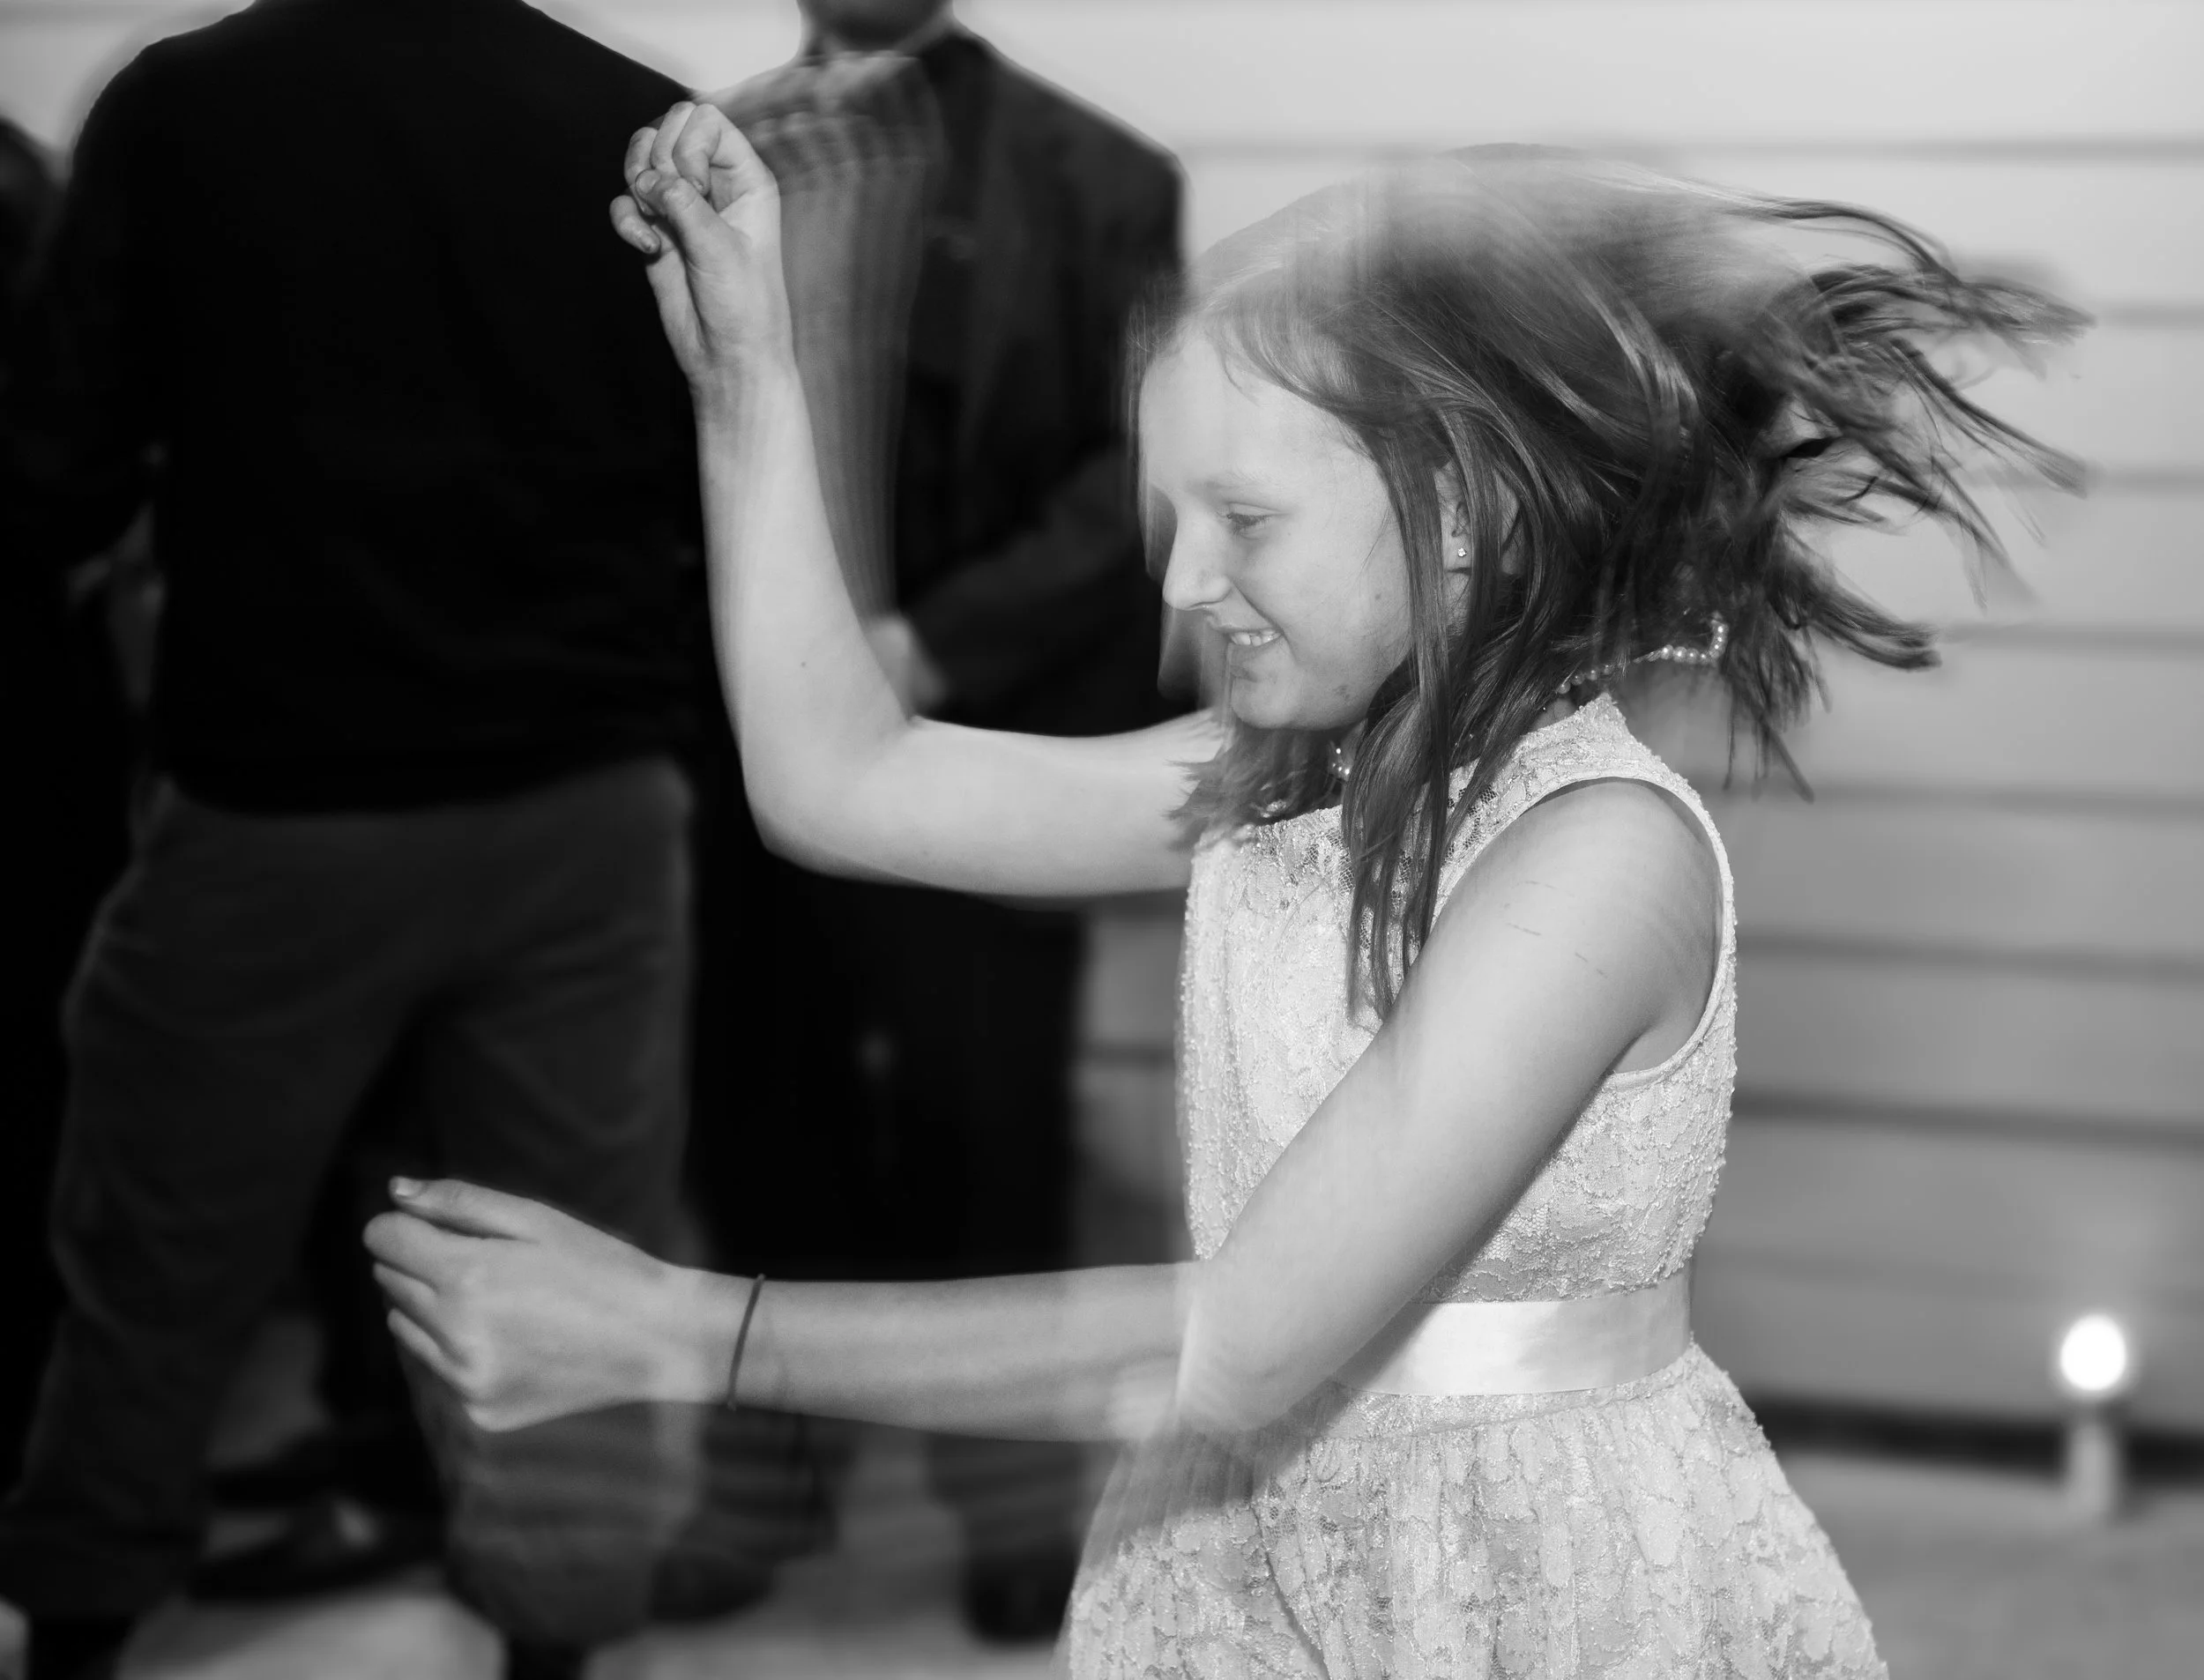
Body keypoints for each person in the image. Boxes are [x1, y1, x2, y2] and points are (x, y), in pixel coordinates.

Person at [370, 107, 2082, 1675]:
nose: (1181, 580)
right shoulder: (1277, 780)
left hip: (1521, 1575)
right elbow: (840, 780)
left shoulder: (1595, 859)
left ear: (1466, 505)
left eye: (1243, 519)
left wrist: (677, 1326)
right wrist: (746, 374)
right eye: (1163, 514)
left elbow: (1245, 1343)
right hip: (1249, 1532)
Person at [0, 5, 708, 1677]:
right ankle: (558, 1645)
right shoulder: (641, 116)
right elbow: (725, 459)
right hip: (591, 810)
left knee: (156, 1256)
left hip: (285, 809)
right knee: (569, 1259)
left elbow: (57, 471)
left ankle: (80, 1628)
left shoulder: (184, 104)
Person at [677, 0, 1182, 1640]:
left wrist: (919, 645)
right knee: (758, 1116)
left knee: (986, 1131)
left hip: (990, 738)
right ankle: (768, 1477)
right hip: (736, 752)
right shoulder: (713, 142)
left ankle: (1011, 1502)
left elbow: (1126, 482)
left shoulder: (1101, 173)